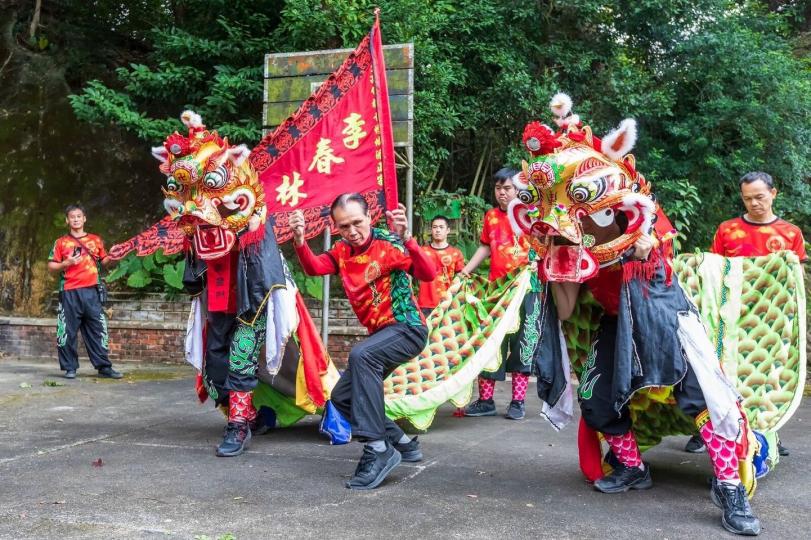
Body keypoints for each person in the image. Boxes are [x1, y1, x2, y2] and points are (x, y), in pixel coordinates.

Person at [290, 194, 437, 490]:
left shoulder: (389, 243)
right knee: (342, 398)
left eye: (357, 222)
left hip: (407, 327)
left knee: (361, 356)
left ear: (370, 216)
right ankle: (404, 444)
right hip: (381, 336)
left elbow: (428, 273)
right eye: (344, 226)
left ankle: (378, 449)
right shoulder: (342, 251)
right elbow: (314, 268)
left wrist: (407, 238)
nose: (352, 231)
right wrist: (299, 240)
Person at [683, 171, 807, 456]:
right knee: (718, 372)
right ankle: (707, 430)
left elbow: (795, 278)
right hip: (729, 316)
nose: (754, 203)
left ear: (774, 194)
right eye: (748, 198)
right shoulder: (727, 230)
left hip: (770, 319)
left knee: (768, 374)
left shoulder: (790, 234)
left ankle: (766, 431)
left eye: (760, 197)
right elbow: (713, 269)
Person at [460, 168, 533, 420]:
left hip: (526, 290)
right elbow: (485, 247)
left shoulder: (530, 215)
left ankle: (518, 401)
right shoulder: (491, 216)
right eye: (498, 189)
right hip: (495, 292)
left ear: (518, 190)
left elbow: (545, 246)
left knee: (523, 343)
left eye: (507, 188)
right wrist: (465, 272)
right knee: (490, 343)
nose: (502, 193)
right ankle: (486, 401)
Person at [48, 204, 122, 380]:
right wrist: (66, 263)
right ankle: (70, 368)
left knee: (98, 330)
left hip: (92, 292)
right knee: (67, 331)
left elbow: (104, 262)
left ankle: (104, 367)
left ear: (84, 219)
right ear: (67, 220)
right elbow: (51, 268)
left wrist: (114, 255)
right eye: (72, 217)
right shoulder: (61, 242)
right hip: (69, 292)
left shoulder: (96, 240)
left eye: (79, 216)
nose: (75, 219)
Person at [416, 215, 466, 316]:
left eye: (441, 227)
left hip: (447, 302)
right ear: (431, 230)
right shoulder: (422, 252)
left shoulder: (456, 253)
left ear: (448, 230)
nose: (437, 230)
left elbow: (462, 278)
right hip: (425, 303)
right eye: (435, 227)